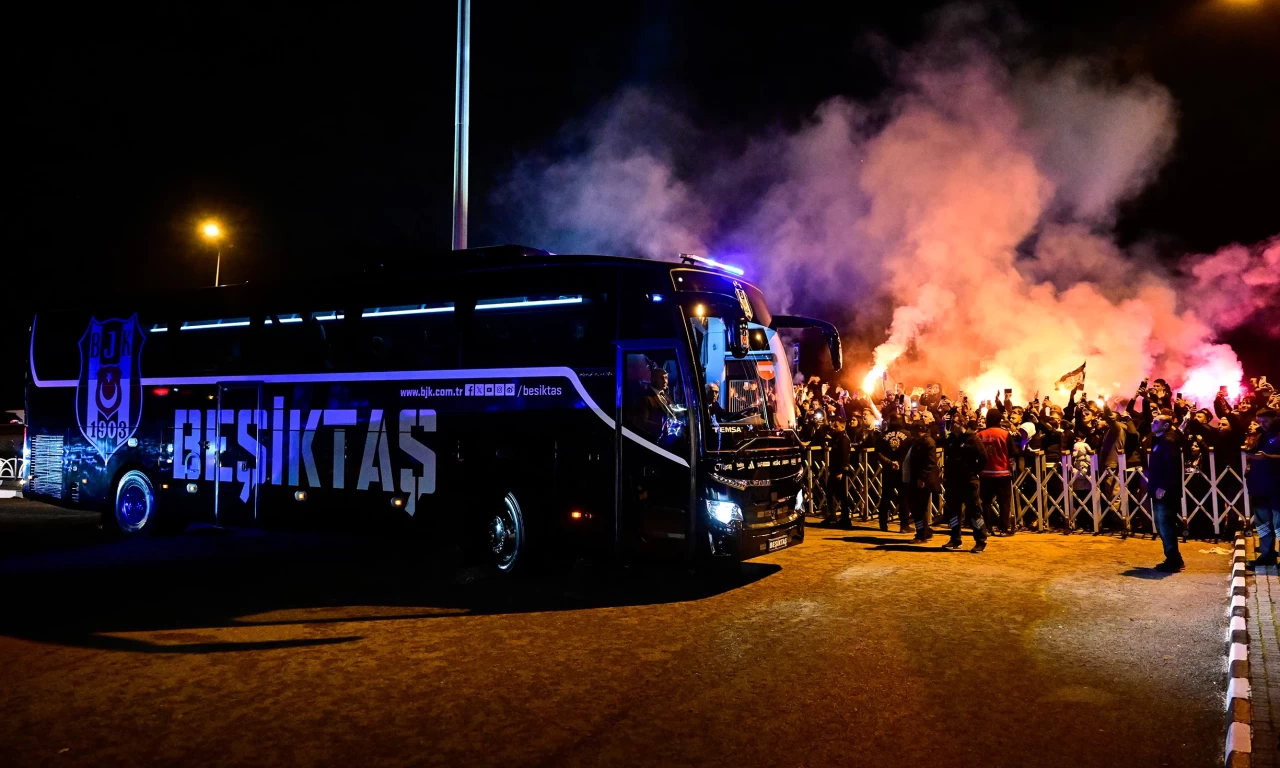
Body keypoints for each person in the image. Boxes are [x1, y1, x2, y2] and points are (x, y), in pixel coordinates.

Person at [940, 411, 989, 552]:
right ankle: (955, 539)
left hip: (968, 481)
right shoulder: (951, 440)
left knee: (974, 511)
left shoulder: (972, 439)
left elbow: (983, 458)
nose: (950, 425)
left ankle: (980, 540)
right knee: (953, 511)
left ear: (962, 423)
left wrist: (974, 471)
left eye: (953, 422)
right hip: (953, 481)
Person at [1147, 413, 1186, 572]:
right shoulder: (1161, 440)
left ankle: (1173, 560)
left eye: (1156, 422)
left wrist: (1163, 486)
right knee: (1163, 523)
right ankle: (1173, 558)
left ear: (1166, 425)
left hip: (1165, 490)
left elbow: (1171, 465)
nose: (1152, 424)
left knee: (1165, 524)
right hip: (1160, 487)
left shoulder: (1168, 441)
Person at [977, 408, 1019, 536]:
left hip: (985, 473)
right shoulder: (1005, 434)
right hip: (1002, 472)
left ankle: (987, 528)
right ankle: (1003, 529)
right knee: (1004, 502)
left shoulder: (980, 434)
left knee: (986, 502)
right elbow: (1014, 451)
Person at [1247, 408, 1280, 566]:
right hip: (1259, 486)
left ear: (1275, 418)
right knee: (1263, 523)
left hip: (1276, 486)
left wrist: (1268, 458)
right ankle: (1266, 554)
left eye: (1265, 421)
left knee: (1279, 523)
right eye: (1259, 421)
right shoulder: (1261, 435)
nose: (1262, 424)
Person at [903, 420, 942, 544]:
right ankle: (924, 531)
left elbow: (930, 463)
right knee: (917, 508)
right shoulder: (919, 441)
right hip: (916, 478)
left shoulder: (927, 442)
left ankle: (921, 534)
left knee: (918, 508)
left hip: (922, 481)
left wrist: (922, 478)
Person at [876, 416, 913, 533]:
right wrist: (900, 462)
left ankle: (883, 523)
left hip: (888, 470)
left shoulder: (882, 436)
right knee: (904, 497)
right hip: (903, 470)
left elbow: (878, 452)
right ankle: (904, 525)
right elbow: (910, 452)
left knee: (886, 496)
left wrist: (889, 462)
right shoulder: (909, 435)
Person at [625, 362, 675, 443]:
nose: (664, 381)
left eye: (666, 378)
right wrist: (663, 427)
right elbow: (641, 422)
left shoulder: (666, 395)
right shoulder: (645, 398)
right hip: (657, 440)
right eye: (661, 378)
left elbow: (672, 410)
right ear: (652, 379)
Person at [824, 416, 853, 526]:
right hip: (834, 469)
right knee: (831, 492)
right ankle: (833, 515)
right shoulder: (836, 437)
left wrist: (841, 471)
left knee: (841, 495)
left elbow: (845, 456)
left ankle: (845, 518)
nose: (834, 427)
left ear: (842, 426)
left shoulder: (844, 439)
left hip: (839, 471)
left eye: (836, 426)